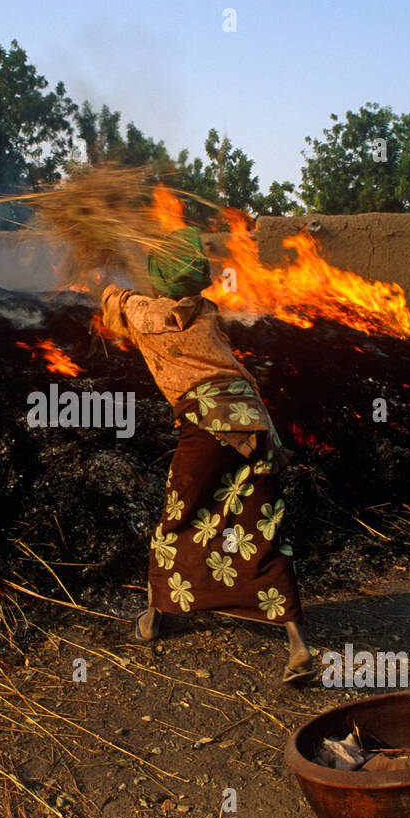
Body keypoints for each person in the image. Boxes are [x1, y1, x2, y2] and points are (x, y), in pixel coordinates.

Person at [99, 227, 316, 683]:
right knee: (261, 520)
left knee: (178, 518)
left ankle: (153, 619)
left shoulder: (147, 311)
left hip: (208, 422)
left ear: (160, 280)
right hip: (252, 418)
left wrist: (111, 289)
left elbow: (122, 305)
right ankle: (297, 645)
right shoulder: (205, 310)